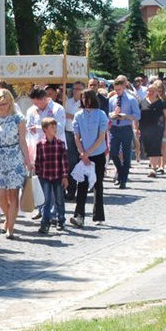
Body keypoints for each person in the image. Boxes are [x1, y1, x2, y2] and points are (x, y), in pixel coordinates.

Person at [0, 90, 29, 240]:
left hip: (15, 156)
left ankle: (10, 227)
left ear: (10, 102)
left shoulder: (18, 119)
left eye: (5, 103)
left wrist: (27, 161)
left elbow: (23, 141)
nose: (3, 106)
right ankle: (9, 216)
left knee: (13, 194)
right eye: (0, 103)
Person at [70, 89, 109, 228]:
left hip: (97, 154)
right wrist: (82, 152)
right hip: (84, 154)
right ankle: (79, 216)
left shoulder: (101, 114)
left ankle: (98, 215)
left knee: (98, 185)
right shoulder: (78, 115)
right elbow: (76, 136)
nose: (85, 101)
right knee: (82, 185)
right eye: (83, 98)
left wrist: (89, 153)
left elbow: (101, 136)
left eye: (87, 98)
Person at [34, 117, 69, 233]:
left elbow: (64, 161)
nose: (55, 129)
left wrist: (65, 176)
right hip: (44, 176)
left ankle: (61, 220)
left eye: (55, 126)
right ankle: (45, 222)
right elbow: (38, 161)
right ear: (45, 129)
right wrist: (38, 175)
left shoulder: (60, 144)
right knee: (46, 200)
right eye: (52, 127)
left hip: (57, 176)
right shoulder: (40, 145)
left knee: (59, 199)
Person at [108, 76, 140, 189]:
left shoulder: (131, 99)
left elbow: (137, 115)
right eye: (115, 90)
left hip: (126, 128)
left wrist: (126, 117)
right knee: (113, 153)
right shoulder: (112, 99)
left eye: (119, 90)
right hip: (115, 129)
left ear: (124, 87)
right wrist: (112, 114)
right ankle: (120, 171)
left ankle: (123, 180)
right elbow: (108, 114)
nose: (117, 92)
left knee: (126, 155)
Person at [139, 85, 166, 177]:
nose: (150, 93)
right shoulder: (142, 102)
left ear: (157, 92)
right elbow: (138, 117)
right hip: (145, 128)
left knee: (156, 147)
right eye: (149, 91)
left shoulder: (162, 102)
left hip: (158, 128)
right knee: (148, 148)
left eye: (152, 91)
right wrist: (137, 128)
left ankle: (153, 168)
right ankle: (153, 165)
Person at [64, 81, 84, 200]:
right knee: (70, 162)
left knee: (80, 161)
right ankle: (71, 189)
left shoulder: (84, 103)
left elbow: (78, 117)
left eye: (79, 89)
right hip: (68, 133)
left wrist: (71, 116)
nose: (76, 91)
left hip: (80, 134)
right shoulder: (68, 101)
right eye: (75, 89)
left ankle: (81, 187)